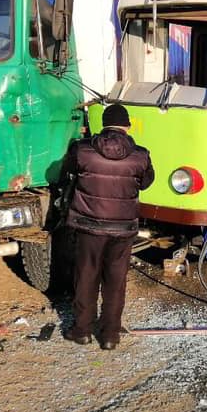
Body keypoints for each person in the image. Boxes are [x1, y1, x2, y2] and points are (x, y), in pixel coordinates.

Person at [59, 103, 154, 350]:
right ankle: (110, 334)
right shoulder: (141, 155)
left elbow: (66, 171)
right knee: (115, 280)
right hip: (122, 229)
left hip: (88, 226)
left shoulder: (82, 150)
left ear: (103, 124)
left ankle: (82, 331)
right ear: (127, 125)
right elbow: (146, 183)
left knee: (86, 276)